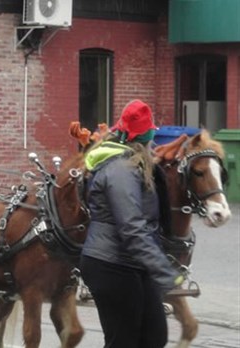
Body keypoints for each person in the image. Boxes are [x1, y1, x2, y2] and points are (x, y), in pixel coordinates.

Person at [79, 99, 184, 348]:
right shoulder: (120, 170)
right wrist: (162, 267)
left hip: (132, 264)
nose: (154, 144)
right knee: (123, 342)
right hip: (110, 265)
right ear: (143, 139)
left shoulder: (132, 164)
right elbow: (131, 227)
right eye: (151, 137)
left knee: (154, 337)